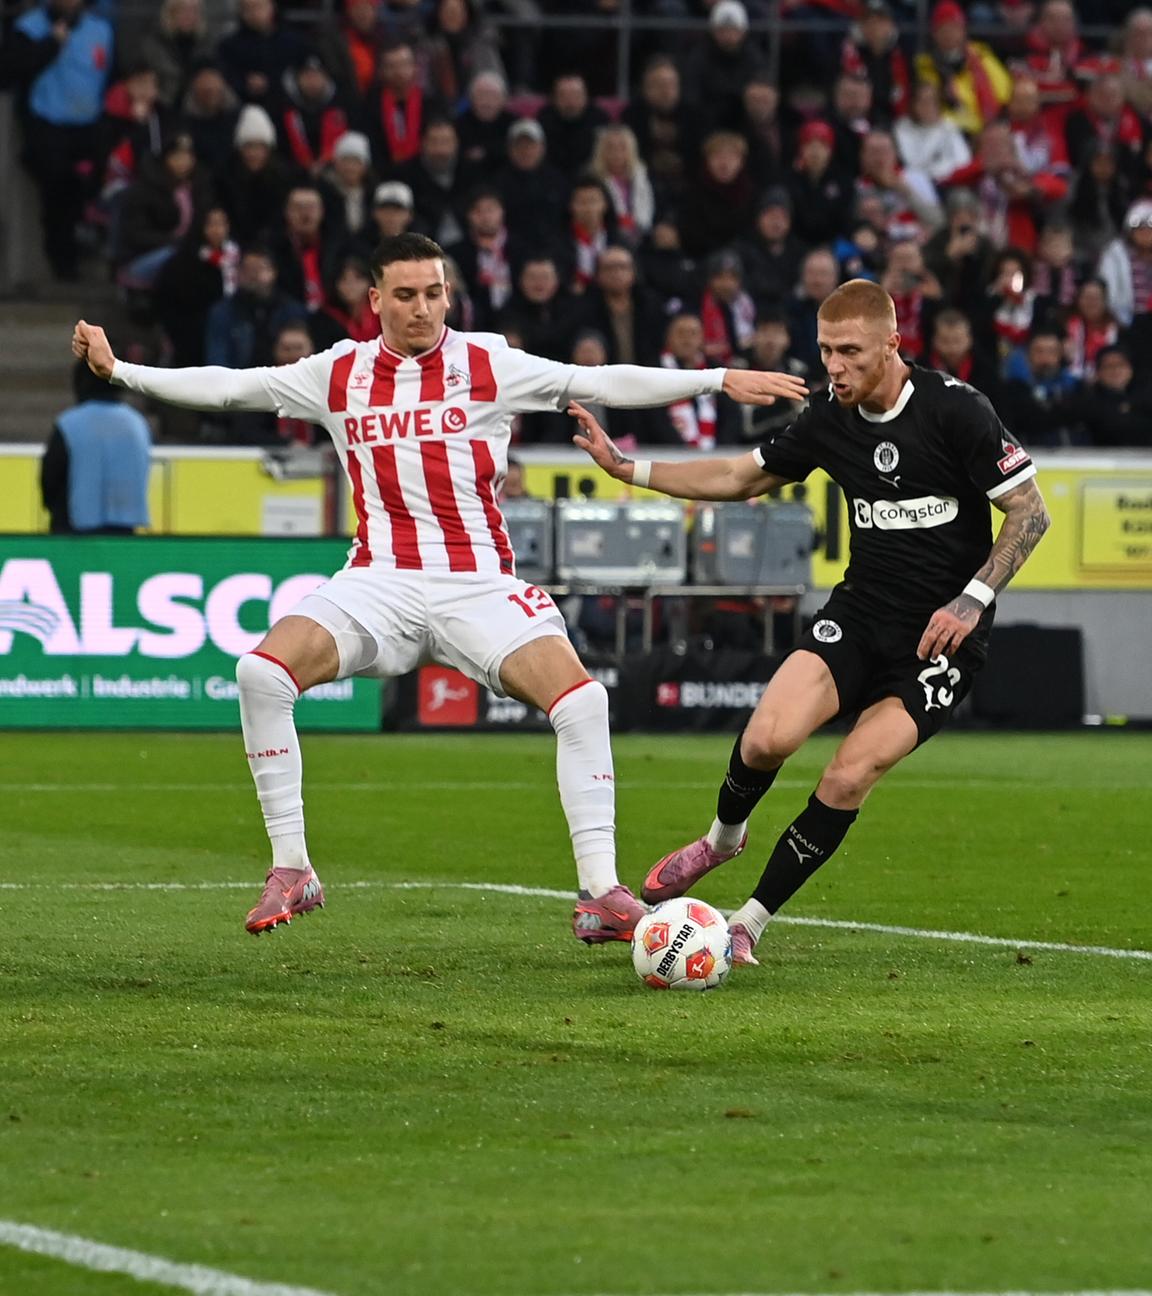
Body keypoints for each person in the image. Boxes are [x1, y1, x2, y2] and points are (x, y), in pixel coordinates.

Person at [73, 231, 806, 942]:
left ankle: (598, 893)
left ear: (449, 294)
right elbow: (234, 388)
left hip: (476, 583)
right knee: (260, 674)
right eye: (406, 295)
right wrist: (123, 372)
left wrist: (715, 379)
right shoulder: (337, 373)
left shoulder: (489, 362)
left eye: (434, 293)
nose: (423, 308)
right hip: (378, 581)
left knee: (583, 701)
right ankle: (292, 868)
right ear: (375, 301)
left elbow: (598, 380)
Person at [571, 278, 1050, 967]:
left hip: (939, 641)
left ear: (893, 344)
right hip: (860, 614)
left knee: (848, 776)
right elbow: (739, 477)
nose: (835, 366)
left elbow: (1030, 511)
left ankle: (749, 922)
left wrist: (971, 598)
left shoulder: (956, 410)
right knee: (768, 738)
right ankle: (722, 840)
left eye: (850, 351)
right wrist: (627, 467)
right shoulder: (829, 415)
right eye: (826, 350)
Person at [41, 360, 152, 534]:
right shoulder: (137, 423)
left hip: (74, 530)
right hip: (125, 531)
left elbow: (51, 476)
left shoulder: (70, 423)